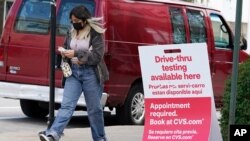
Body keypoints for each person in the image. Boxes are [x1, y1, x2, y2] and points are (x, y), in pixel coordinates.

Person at [39, 5, 109, 141]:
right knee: (66, 106)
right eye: (72, 20)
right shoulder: (71, 31)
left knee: (94, 110)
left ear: (84, 20)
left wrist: (76, 53)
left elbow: (97, 56)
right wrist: (64, 53)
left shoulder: (95, 32)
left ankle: (100, 138)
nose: (74, 23)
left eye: (76, 21)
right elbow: (67, 47)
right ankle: (53, 134)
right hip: (74, 73)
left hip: (91, 74)